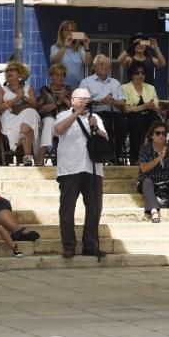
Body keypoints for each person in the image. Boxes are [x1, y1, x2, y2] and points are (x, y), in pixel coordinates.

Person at [53, 88, 107, 258]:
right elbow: (59, 130)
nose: (86, 102)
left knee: (94, 208)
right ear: (73, 100)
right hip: (70, 168)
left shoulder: (95, 117)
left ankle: (90, 245)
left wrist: (95, 127)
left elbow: (105, 138)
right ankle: (68, 245)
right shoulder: (63, 115)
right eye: (82, 99)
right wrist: (76, 114)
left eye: (88, 99)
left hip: (92, 169)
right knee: (67, 209)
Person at [80, 55, 127, 162]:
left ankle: (116, 155)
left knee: (123, 124)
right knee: (105, 123)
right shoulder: (86, 82)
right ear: (95, 67)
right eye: (101, 64)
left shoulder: (115, 82)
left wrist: (113, 102)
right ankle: (106, 155)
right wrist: (101, 101)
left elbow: (123, 101)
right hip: (95, 112)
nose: (104, 67)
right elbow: (82, 102)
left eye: (107, 65)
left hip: (114, 112)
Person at [0, 61, 40, 166]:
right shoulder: (2, 89)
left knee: (30, 113)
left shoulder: (28, 88)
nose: (9, 72)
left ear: (20, 74)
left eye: (12, 70)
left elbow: (35, 105)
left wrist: (24, 97)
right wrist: (16, 99)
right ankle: (27, 155)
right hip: (10, 117)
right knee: (29, 121)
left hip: (27, 115)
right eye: (8, 70)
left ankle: (21, 137)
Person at [137, 120, 169, 223]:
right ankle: (154, 211)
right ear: (151, 136)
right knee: (147, 182)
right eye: (158, 133)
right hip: (150, 180)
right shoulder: (145, 149)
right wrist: (159, 158)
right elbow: (144, 168)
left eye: (164, 133)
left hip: (166, 181)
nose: (161, 136)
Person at [122, 62, 162, 164]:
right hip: (133, 115)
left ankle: (154, 154)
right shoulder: (125, 88)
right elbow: (126, 109)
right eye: (137, 73)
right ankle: (135, 157)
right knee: (136, 123)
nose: (140, 75)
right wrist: (144, 106)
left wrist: (153, 106)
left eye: (143, 73)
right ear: (132, 75)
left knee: (155, 123)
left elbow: (158, 108)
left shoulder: (150, 87)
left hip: (149, 114)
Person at [37, 64, 72, 166]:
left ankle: (64, 157)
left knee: (65, 120)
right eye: (56, 75)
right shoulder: (45, 90)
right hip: (48, 121)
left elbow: (75, 109)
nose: (59, 77)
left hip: (64, 122)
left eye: (62, 75)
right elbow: (40, 110)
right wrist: (57, 102)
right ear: (51, 76)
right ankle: (42, 154)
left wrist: (65, 100)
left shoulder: (69, 90)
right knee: (49, 121)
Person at [50, 20, 92, 90]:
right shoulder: (55, 47)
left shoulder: (80, 48)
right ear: (61, 33)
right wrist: (65, 46)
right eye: (67, 30)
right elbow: (55, 61)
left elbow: (88, 62)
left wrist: (87, 46)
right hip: (60, 87)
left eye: (72, 31)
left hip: (77, 87)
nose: (70, 33)